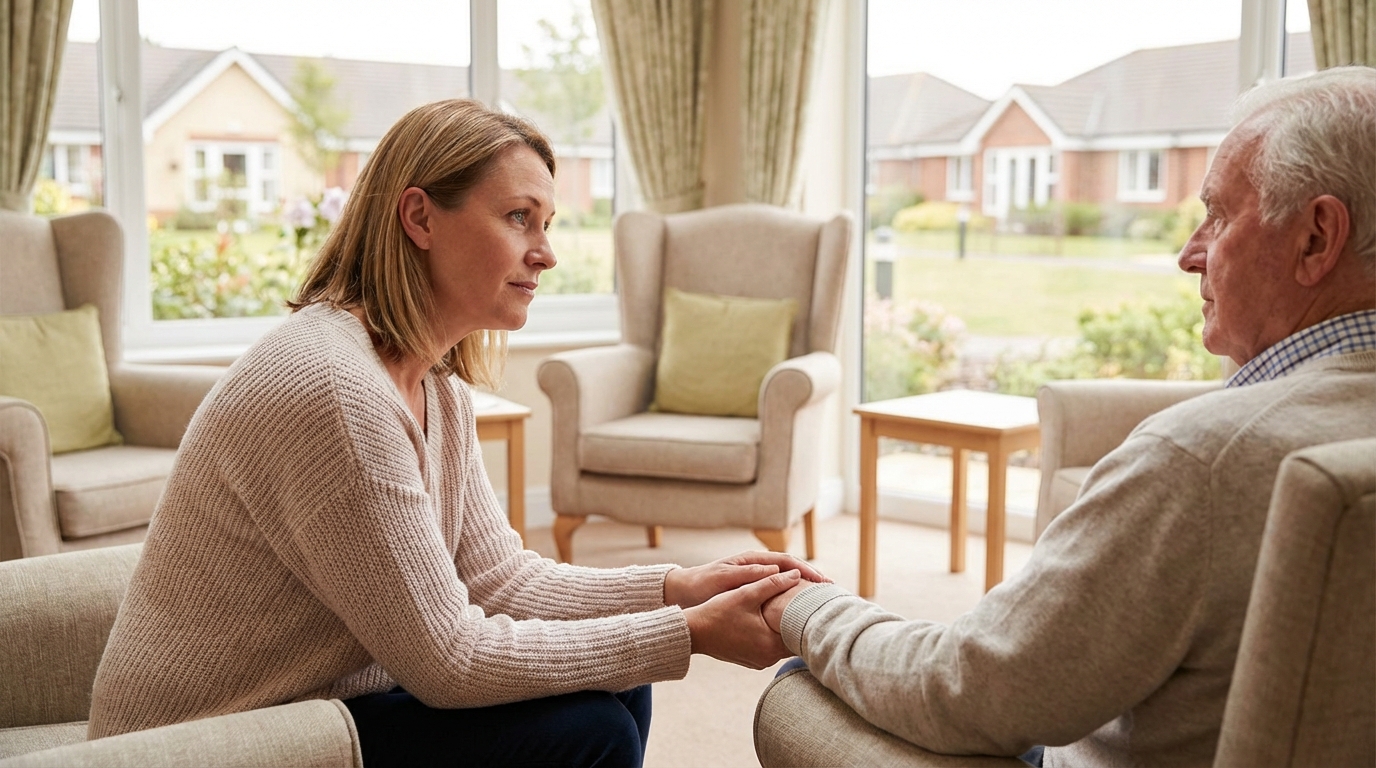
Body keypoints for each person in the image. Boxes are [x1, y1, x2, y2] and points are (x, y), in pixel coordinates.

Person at [87, 99, 824, 767]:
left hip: (312, 705)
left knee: (620, 687)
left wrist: (676, 588)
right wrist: (689, 630)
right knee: (590, 728)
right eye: (518, 218)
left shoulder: (433, 386)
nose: (546, 252)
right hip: (206, 740)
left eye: (547, 224)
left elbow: (499, 578)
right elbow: (450, 660)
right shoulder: (335, 391)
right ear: (420, 218)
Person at [757, 66, 1376, 767]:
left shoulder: (1205, 462)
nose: (1188, 253)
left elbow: (970, 690)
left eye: (1220, 214)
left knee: (802, 684)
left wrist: (809, 609)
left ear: (1317, 238)